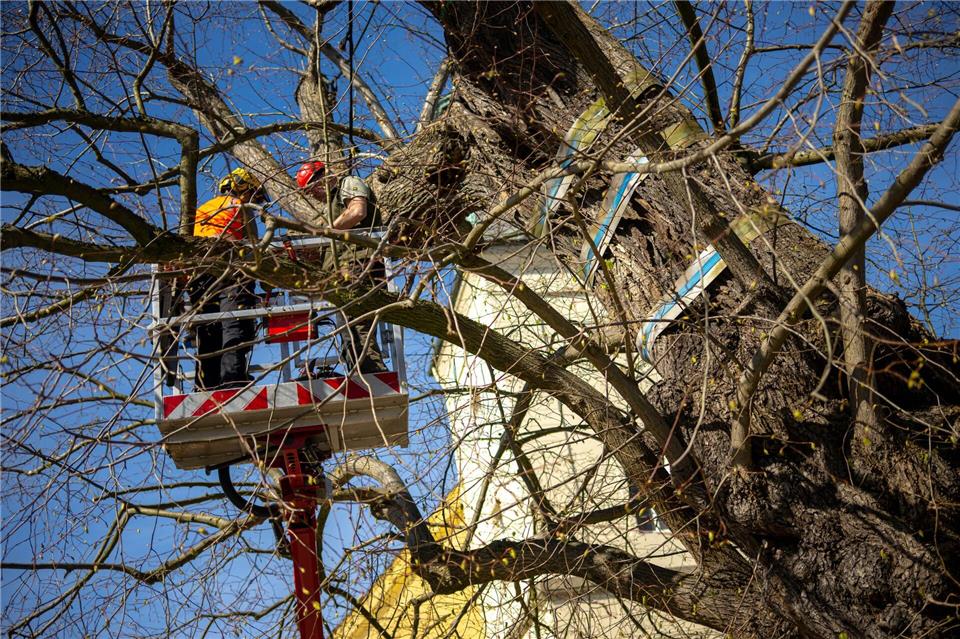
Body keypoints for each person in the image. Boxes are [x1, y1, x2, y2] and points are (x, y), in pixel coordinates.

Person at [295, 160, 387, 374]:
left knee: (357, 322)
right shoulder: (330, 209)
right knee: (346, 325)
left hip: (359, 262)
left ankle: (372, 373)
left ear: (324, 175)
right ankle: (359, 371)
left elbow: (357, 212)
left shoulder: (349, 182)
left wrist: (325, 232)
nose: (312, 194)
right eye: (308, 192)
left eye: (312, 187)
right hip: (342, 272)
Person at [189, 167, 262, 390]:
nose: (254, 200)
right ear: (243, 188)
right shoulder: (240, 206)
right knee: (234, 322)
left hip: (200, 275)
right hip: (231, 271)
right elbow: (255, 248)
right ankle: (233, 378)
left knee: (207, 328)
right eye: (253, 194)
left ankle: (205, 383)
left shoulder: (201, 210)